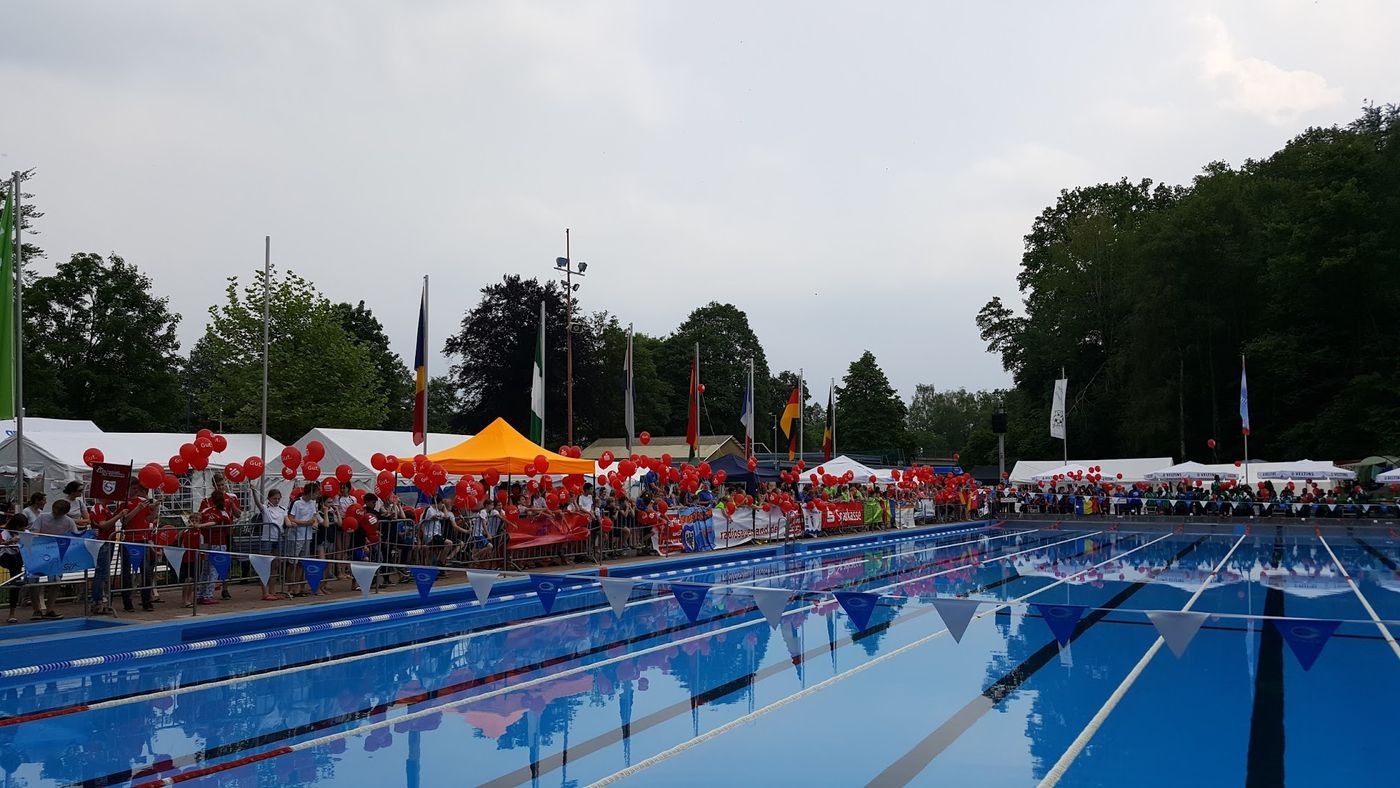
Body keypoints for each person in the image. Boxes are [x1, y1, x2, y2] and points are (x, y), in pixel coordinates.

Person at [31, 499, 80, 619]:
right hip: (40, 554)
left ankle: (50, 609)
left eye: (59, 511)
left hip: (58, 555)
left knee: (56, 581)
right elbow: (35, 534)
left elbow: (75, 537)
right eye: (55, 510)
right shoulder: (42, 518)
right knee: (33, 581)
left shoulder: (68, 521)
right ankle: (37, 609)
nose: (56, 513)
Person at [197, 476, 241, 601]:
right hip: (212, 539)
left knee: (218, 565)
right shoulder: (207, 504)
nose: (221, 487)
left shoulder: (230, 501)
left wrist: (231, 505)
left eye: (223, 485)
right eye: (219, 485)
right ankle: (206, 594)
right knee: (210, 568)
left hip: (223, 537)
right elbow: (204, 518)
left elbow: (237, 514)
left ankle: (221, 589)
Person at [118, 495, 158, 613]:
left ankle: (146, 601)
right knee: (126, 572)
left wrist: (156, 508)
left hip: (142, 539)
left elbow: (150, 519)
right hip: (128, 540)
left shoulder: (143, 502)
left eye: (137, 489)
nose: (136, 492)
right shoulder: (124, 502)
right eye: (133, 489)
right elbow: (124, 521)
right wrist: (137, 509)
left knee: (145, 571)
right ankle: (127, 601)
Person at [196, 494, 233, 605]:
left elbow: (199, 519)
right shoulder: (223, 513)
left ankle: (201, 594)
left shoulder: (205, 511)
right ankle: (208, 595)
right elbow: (229, 530)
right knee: (213, 570)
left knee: (205, 570)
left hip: (206, 543)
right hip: (219, 544)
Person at [254, 488, 288, 601]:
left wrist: (293, 523)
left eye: (278, 498)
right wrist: (254, 492)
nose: (277, 501)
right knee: (265, 565)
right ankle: (265, 592)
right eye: (274, 498)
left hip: (278, 539)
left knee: (275, 565)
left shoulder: (283, 509)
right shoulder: (265, 508)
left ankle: (272, 590)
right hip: (267, 539)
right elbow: (258, 503)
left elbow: (286, 521)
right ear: (269, 498)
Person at [286, 487, 319, 596]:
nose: (317, 496)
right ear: (310, 492)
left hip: (307, 536)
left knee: (302, 563)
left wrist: (314, 523)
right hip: (296, 536)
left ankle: (299, 586)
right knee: (293, 563)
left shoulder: (313, 503)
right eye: (316, 493)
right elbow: (290, 518)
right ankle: (290, 587)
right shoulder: (296, 503)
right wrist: (304, 523)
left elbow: (314, 517)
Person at [2, 514, 26, 623]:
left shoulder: (24, 533)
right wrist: (10, 541)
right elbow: (2, 543)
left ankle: (12, 613)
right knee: (14, 559)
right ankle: (17, 578)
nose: (22, 529)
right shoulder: (5, 533)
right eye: (20, 527)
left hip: (17, 561)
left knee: (15, 586)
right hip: (4, 556)